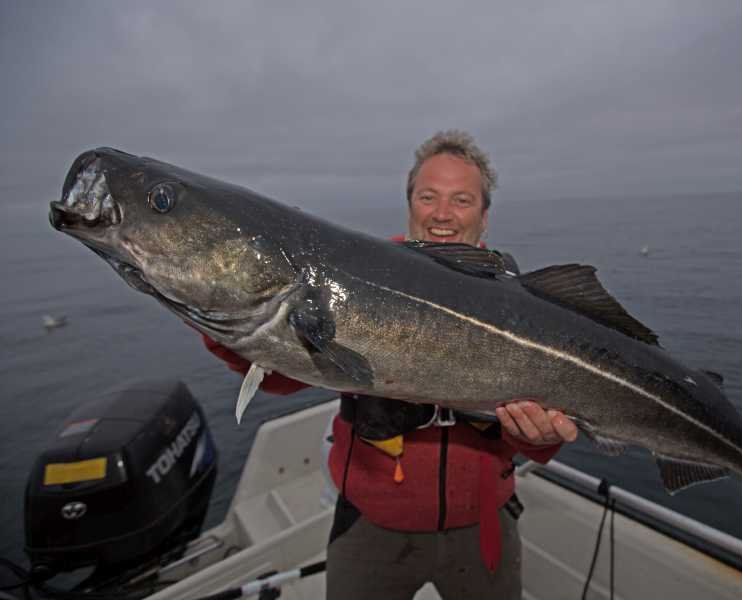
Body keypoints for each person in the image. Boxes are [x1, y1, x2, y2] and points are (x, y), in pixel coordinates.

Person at [201, 130, 578, 599]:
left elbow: (552, 429)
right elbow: (282, 377)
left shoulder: (520, 311)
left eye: (461, 200)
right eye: (428, 196)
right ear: (409, 204)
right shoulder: (355, 280)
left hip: (482, 528)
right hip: (371, 527)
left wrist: (537, 439)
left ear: (484, 216)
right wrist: (221, 316)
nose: (442, 214)